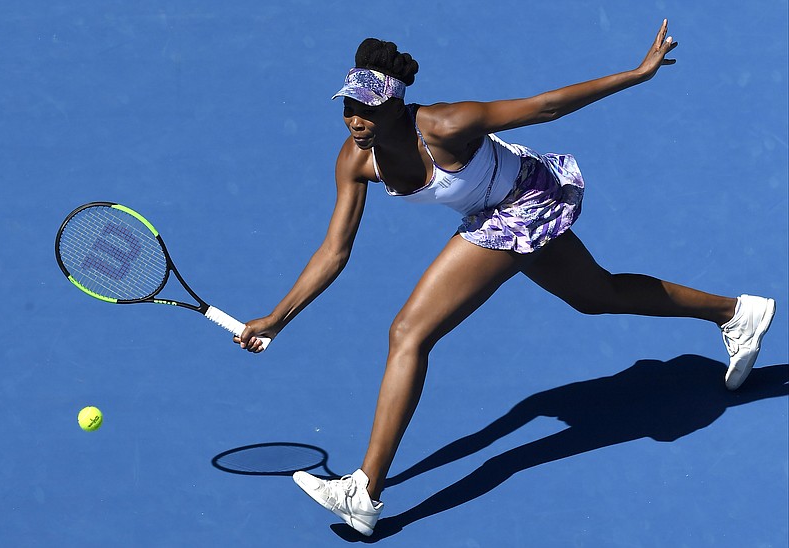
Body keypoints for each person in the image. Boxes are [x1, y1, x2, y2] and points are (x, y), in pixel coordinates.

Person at [234, 20, 776, 536]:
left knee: (409, 332)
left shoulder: (446, 124)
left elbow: (544, 107)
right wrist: (278, 318)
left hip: (524, 199)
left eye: (369, 109)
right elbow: (335, 250)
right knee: (596, 294)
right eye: (350, 106)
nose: (356, 119)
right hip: (492, 209)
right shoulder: (356, 159)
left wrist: (635, 74)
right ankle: (737, 312)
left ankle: (364, 491)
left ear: (397, 106)